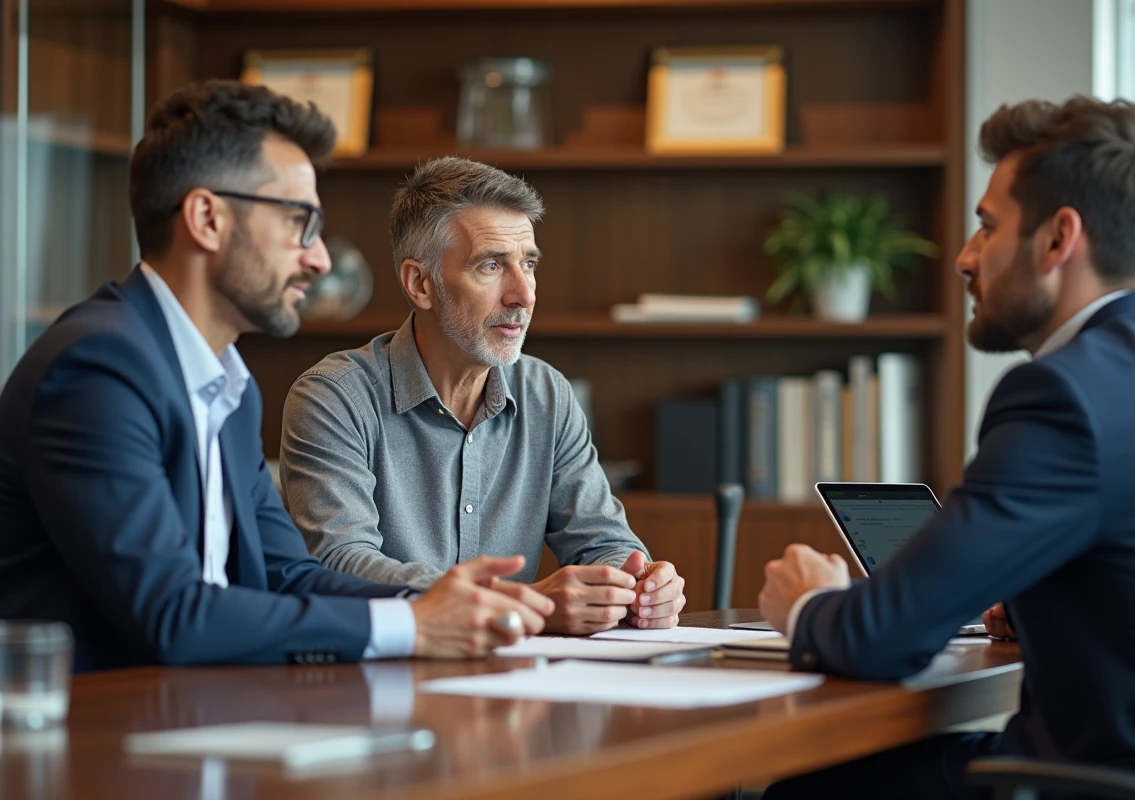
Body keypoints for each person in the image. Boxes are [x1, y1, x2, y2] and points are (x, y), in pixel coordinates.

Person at [0, 81, 553, 672]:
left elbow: (288, 576)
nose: (319, 258)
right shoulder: (98, 370)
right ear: (207, 219)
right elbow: (173, 615)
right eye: (298, 221)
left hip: (188, 710)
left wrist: (451, 605)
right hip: (83, 721)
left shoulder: (227, 386)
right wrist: (415, 624)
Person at [757, 95, 1135, 797]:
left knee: (799, 787)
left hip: (1088, 784)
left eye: (988, 227)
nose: (965, 257)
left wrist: (809, 604)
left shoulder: (1063, 396)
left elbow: (879, 638)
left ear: (1058, 240)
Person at [279, 156, 686, 634]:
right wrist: (520, 604)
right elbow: (339, 562)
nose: (524, 295)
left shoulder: (547, 394)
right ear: (420, 284)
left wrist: (639, 585)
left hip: (514, 669)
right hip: (385, 669)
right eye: (491, 265)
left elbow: (604, 543)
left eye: (528, 264)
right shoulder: (334, 397)